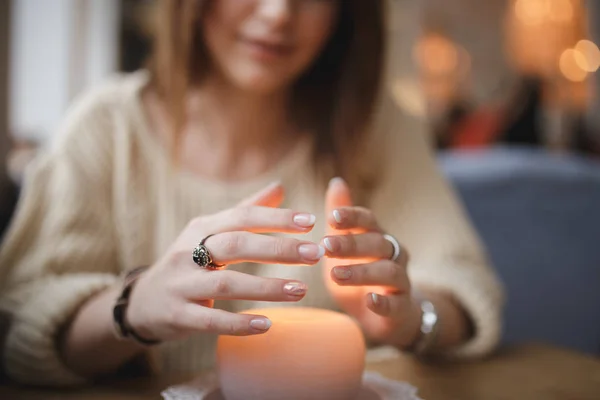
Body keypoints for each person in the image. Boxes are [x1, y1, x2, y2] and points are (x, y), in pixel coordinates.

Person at [0, 0, 503, 386]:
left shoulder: (376, 127)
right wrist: (133, 307)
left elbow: (466, 287)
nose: (278, 13)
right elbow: (20, 324)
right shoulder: (105, 129)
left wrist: (408, 318)